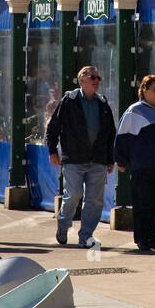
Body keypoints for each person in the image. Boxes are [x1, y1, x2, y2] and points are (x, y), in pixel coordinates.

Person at [46, 65, 115, 250]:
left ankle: (86, 236)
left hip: (97, 159)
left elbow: (110, 133)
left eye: (98, 78)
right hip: (74, 159)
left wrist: (110, 158)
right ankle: (63, 224)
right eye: (92, 77)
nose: (96, 81)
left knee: (94, 199)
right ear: (82, 79)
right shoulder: (69, 101)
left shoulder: (102, 104)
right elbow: (53, 127)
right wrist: (52, 150)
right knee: (73, 194)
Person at [114, 75, 155, 253]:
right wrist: (121, 160)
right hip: (144, 166)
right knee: (143, 202)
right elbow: (123, 137)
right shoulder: (135, 111)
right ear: (144, 90)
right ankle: (142, 239)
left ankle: (151, 237)